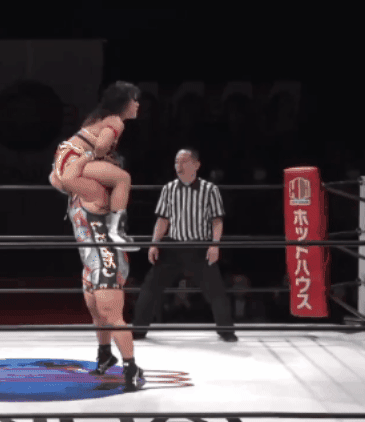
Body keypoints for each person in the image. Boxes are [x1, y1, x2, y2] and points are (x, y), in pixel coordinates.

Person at [49, 166, 145, 392]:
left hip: (107, 259)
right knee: (97, 313)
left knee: (111, 315)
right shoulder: (74, 191)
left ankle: (131, 367)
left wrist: (81, 159)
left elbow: (62, 175)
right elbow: (55, 177)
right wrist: (66, 159)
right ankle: (105, 355)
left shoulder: (95, 191)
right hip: (90, 261)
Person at [132, 148, 237, 342]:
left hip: (199, 247)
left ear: (196, 165)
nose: (178, 166)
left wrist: (215, 245)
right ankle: (138, 330)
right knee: (150, 287)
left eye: (183, 161)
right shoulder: (169, 189)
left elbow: (217, 221)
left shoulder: (210, 189)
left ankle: (226, 330)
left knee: (215, 290)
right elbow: (162, 220)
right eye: (176, 162)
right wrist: (154, 244)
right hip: (173, 247)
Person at [49, 81, 140, 251]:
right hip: (73, 160)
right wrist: (101, 157)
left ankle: (105, 230)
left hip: (65, 160)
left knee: (106, 189)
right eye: (134, 100)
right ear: (124, 103)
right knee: (123, 178)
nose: (137, 104)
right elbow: (100, 146)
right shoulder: (115, 121)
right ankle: (115, 233)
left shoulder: (98, 117)